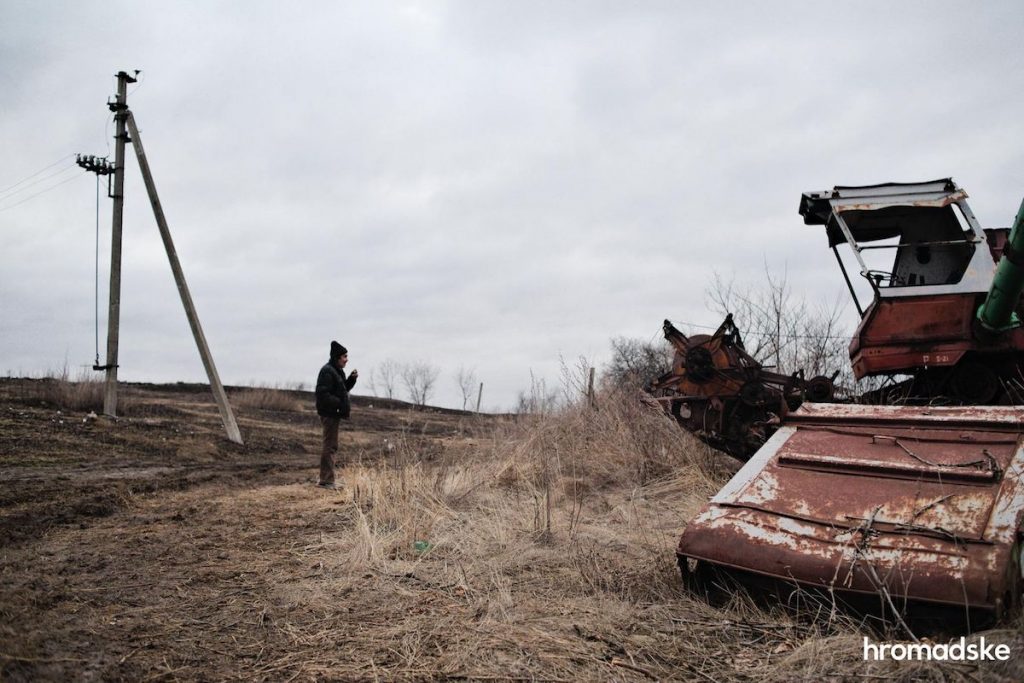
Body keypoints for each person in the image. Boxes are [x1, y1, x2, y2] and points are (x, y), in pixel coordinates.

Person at [315, 340, 358, 489]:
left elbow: (341, 390)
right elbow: (323, 394)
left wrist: (351, 380)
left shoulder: (335, 371)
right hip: (329, 414)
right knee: (330, 446)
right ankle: (326, 480)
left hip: (333, 413)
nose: (347, 359)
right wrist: (339, 403)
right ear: (337, 357)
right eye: (344, 356)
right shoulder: (327, 371)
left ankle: (327, 479)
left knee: (331, 445)